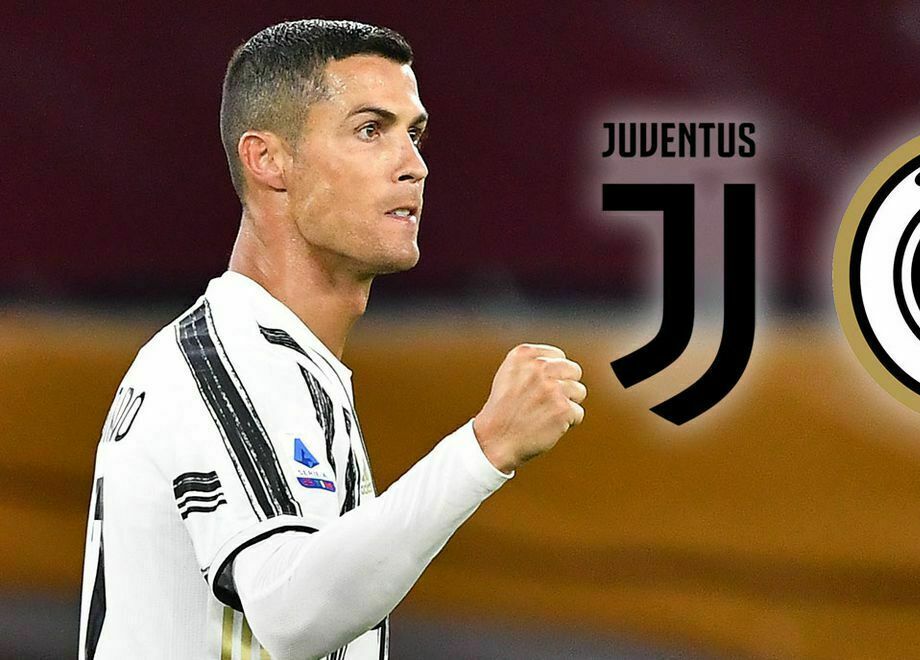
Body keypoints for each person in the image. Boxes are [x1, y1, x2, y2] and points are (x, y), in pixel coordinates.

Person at [78, 19, 585, 659]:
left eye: (414, 134)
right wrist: (486, 447)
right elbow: (289, 610)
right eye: (371, 130)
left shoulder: (282, 362)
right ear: (268, 160)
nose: (415, 166)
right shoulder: (226, 362)